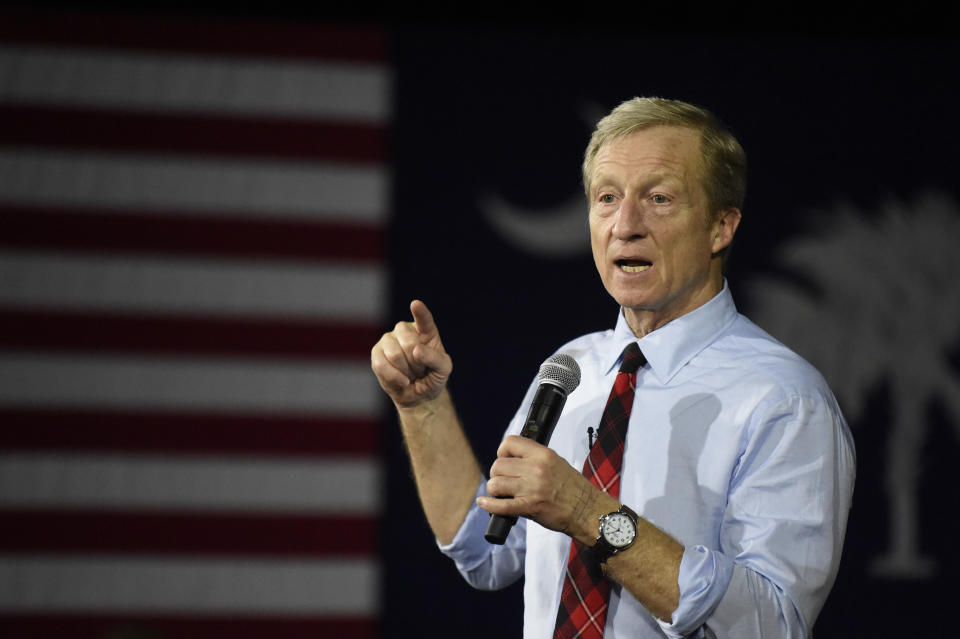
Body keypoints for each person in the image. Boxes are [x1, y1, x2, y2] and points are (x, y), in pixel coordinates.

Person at [370, 97, 855, 638]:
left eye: (660, 198)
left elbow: (772, 624)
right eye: (607, 198)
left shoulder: (784, 398)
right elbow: (486, 552)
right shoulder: (572, 367)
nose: (626, 225)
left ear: (721, 226)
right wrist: (423, 406)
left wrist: (587, 513)